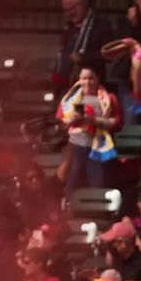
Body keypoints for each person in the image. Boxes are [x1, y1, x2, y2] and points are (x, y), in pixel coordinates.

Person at [58, 65, 123, 199]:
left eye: (91, 78)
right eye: (84, 78)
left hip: (99, 148)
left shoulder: (109, 98)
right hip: (75, 148)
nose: (87, 82)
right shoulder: (69, 99)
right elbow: (60, 124)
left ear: (98, 78)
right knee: (72, 183)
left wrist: (95, 120)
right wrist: (71, 120)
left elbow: (117, 122)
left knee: (98, 183)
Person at [56, 0, 113, 91]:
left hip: (91, 87)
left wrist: (83, 58)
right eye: (66, 10)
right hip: (67, 86)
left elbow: (108, 54)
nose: (68, 14)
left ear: (82, 5)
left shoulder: (100, 26)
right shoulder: (69, 27)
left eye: (71, 9)